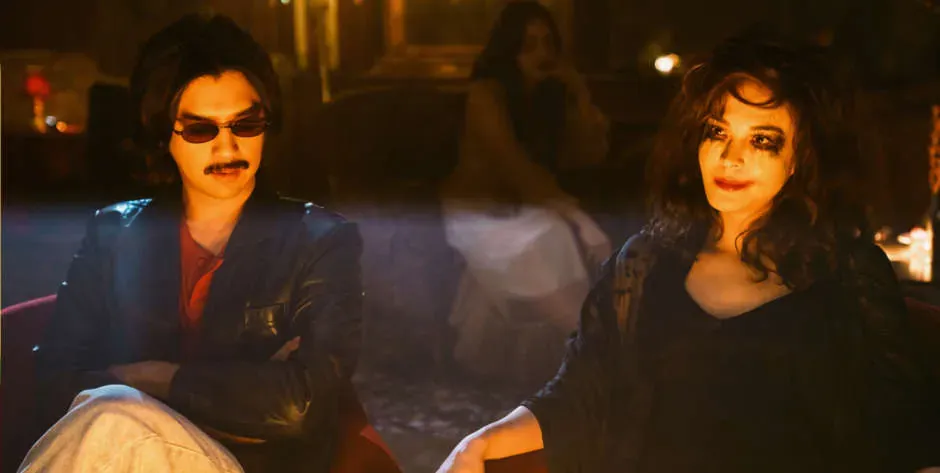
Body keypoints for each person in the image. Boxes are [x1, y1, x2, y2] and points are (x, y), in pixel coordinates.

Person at [438, 30, 940, 473]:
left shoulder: (845, 273)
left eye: (762, 140)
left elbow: (902, 430)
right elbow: (578, 397)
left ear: (799, 160)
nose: (730, 157)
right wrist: (477, 444)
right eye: (717, 132)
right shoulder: (644, 265)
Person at [22, 14, 367, 473]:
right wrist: (243, 390)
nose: (227, 147)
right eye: (201, 129)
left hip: (252, 466)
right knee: (110, 416)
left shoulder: (321, 240)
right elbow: (52, 386)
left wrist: (153, 377)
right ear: (162, 135)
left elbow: (302, 407)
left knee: (110, 415)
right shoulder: (114, 233)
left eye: (246, 124)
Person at [439, 0, 612, 387]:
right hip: (477, 216)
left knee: (551, 234)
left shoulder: (548, 99)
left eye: (548, 43)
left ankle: (591, 352)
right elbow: (515, 167)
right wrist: (584, 225)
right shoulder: (486, 95)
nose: (541, 53)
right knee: (548, 235)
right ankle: (595, 351)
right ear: (509, 50)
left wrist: (579, 92)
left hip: (527, 212)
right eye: (528, 44)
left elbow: (589, 155)